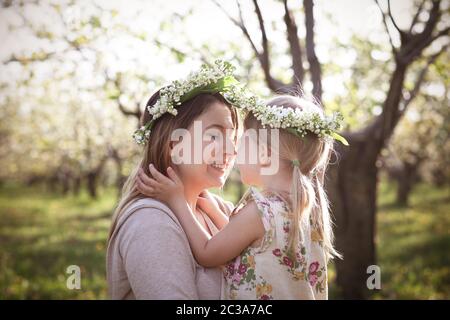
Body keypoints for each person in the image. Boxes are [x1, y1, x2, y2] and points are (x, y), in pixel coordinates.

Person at [138, 94, 348, 299]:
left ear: (265, 155)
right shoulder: (302, 209)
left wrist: (177, 201)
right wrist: (211, 207)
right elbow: (244, 242)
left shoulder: (260, 211)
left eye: (243, 143)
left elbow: (208, 253)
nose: (233, 151)